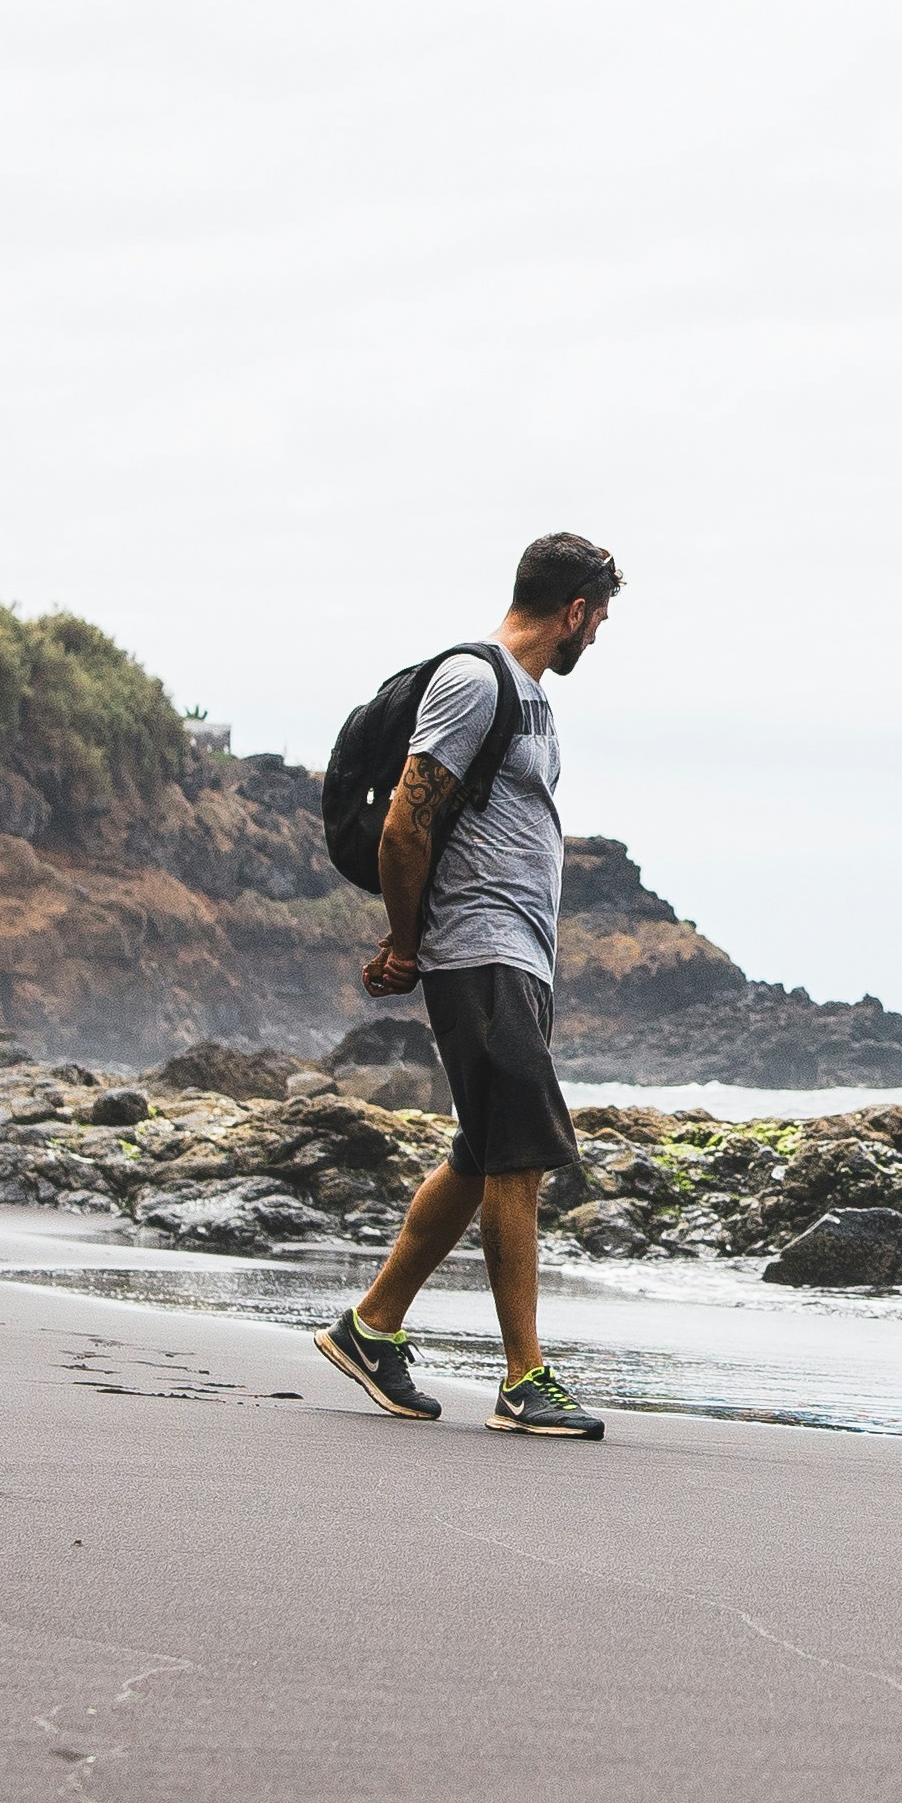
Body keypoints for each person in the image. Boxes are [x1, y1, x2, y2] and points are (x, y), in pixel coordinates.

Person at [314, 532, 622, 1440]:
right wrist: (407, 945)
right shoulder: (474, 681)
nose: (598, 637)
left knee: (483, 1151)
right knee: (517, 1153)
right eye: (599, 619)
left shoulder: (530, 698)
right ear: (573, 611)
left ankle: (370, 1328)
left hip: (515, 954)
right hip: (478, 947)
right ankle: (524, 1379)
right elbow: (404, 826)